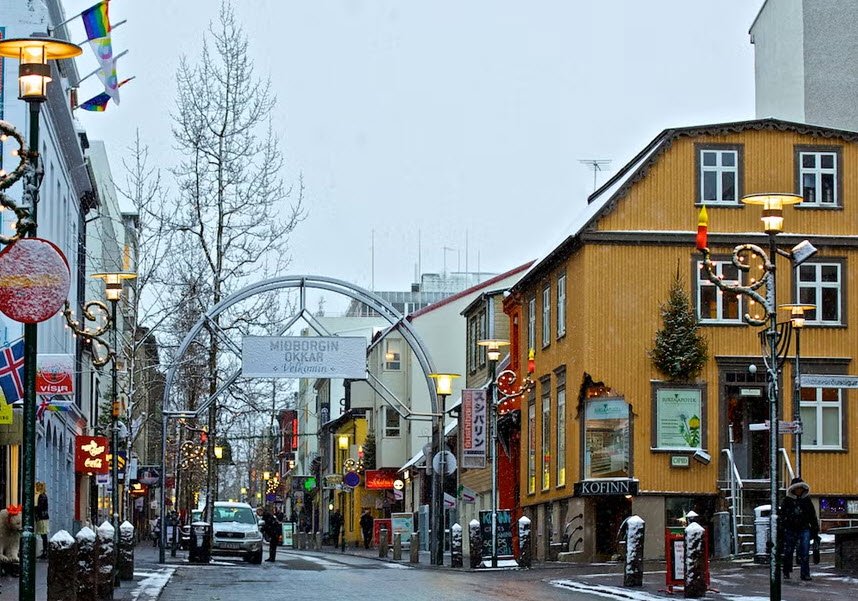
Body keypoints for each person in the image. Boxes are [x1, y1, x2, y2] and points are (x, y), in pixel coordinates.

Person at [780, 476, 819, 581]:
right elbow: (782, 516)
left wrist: (815, 529)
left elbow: (812, 516)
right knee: (789, 551)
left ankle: (804, 573)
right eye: (797, 488)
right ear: (793, 489)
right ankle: (787, 571)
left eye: (800, 488)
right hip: (791, 529)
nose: (799, 490)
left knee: (804, 552)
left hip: (803, 528)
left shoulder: (806, 501)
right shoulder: (788, 501)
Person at [35, 482, 49, 559]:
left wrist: (34, 509)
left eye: (37, 487)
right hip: (44, 517)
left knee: (43, 534)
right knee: (44, 535)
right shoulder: (43, 495)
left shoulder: (41, 496)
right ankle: (45, 551)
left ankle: (45, 552)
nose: (36, 488)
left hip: (42, 518)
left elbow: (39, 507)